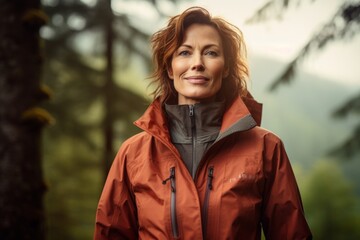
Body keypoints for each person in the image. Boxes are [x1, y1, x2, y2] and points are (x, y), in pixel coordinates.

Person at [94, 6, 312, 240]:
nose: (197, 63)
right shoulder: (133, 155)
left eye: (210, 53)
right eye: (185, 53)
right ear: (169, 68)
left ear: (226, 67)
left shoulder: (266, 149)